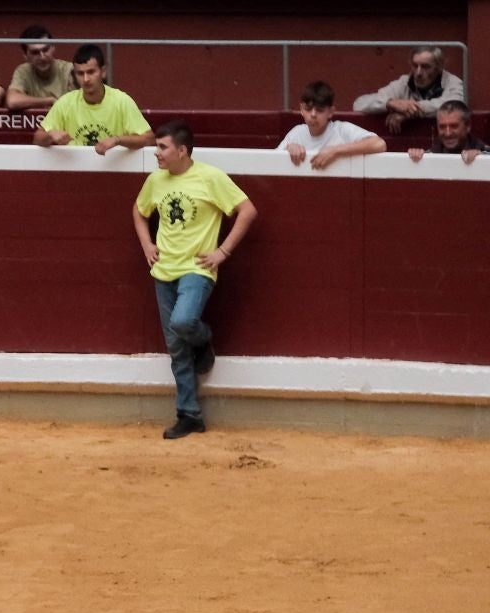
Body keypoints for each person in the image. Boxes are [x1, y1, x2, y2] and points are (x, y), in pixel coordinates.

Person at [131, 120, 257, 440]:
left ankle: (203, 340)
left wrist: (223, 252)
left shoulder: (210, 177)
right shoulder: (155, 180)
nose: (156, 153)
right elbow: (139, 211)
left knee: (183, 322)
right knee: (176, 348)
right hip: (163, 269)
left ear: (182, 150)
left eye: (163, 147)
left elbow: (247, 210)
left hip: (197, 268)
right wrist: (146, 244)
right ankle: (189, 414)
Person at [34, 45, 151, 152]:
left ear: (103, 72)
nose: (86, 79)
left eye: (91, 72)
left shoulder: (122, 101)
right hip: (75, 167)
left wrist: (117, 140)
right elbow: (37, 138)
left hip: (112, 166)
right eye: (80, 73)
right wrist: (50, 135)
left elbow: (148, 138)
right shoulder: (65, 102)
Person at [353, 46, 467, 133]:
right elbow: (359, 104)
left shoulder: (452, 82)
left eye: (425, 67)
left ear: (439, 67)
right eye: (415, 66)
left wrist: (409, 111)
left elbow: (455, 105)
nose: (418, 72)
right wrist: (390, 103)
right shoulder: (403, 82)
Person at [277, 82, 384, 169]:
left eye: (320, 110)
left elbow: (379, 144)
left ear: (331, 112)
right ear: (301, 109)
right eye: (308, 109)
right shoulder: (296, 132)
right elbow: (273, 159)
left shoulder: (342, 130)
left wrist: (336, 150)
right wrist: (289, 148)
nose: (313, 114)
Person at [6, 25, 75, 111]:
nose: (42, 57)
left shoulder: (68, 70)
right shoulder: (23, 71)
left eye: (45, 50)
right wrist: (49, 101)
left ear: (53, 48)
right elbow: (12, 101)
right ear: (25, 56)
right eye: (35, 52)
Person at [409, 100, 486, 163]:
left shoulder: (484, 152)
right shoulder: (430, 155)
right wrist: (414, 158)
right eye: (442, 127)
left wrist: (483, 158)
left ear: (468, 126)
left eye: (454, 126)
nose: (448, 133)